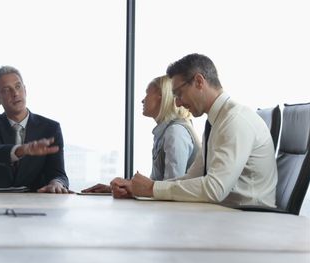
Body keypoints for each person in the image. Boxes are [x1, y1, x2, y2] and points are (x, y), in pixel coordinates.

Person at [113, 53, 277, 208]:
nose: (177, 104)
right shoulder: (217, 121)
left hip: (248, 220)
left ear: (199, 81)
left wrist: (152, 189)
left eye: (179, 94)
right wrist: (140, 188)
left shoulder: (234, 120)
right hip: (229, 214)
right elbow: (193, 177)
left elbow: (214, 189)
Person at [82, 75, 200, 193]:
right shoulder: (165, 132)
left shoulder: (175, 132)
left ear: (161, 96)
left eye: (147, 93)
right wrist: (118, 188)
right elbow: (159, 187)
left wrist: (130, 187)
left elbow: (168, 190)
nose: (143, 100)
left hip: (178, 211)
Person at [0, 65, 69, 193]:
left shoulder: (51, 128)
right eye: (7, 90)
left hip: (35, 203)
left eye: (18, 87)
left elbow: (58, 173)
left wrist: (56, 183)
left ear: (25, 90)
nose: (15, 93)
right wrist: (21, 150)